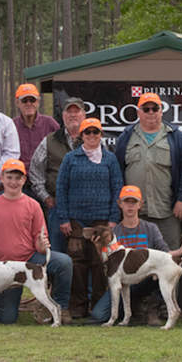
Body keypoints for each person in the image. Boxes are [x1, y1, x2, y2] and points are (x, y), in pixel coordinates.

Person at [0, 159, 73, 324]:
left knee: (64, 262)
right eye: (9, 177)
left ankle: (60, 307)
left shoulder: (33, 205)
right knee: (7, 319)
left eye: (17, 178)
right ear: (2, 178)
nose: (13, 182)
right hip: (4, 267)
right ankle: (1, 306)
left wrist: (42, 246)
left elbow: (40, 237)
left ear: (24, 180)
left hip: (29, 260)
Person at [89, 186, 182, 325]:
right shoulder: (114, 232)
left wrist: (180, 252)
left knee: (162, 272)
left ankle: (152, 308)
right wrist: (97, 247)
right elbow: (106, 261)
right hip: (124, 279)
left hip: (146, 279)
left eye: (134, 202)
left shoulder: (151, 228)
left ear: (140, 205)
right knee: (98, 315)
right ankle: (129, 313)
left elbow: (164, 254)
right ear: (120, 204)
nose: (130, 206)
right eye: (126, 202)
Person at [56, 118, 124, 319]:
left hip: (102, 221)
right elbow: (61, 188)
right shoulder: (70, 158)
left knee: (100, 264)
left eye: (96, 132)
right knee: (77, 263)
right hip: (76, 220)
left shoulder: (110, 159)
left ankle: (97, 306)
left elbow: (117, 188)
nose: (92, 136)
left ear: (101, 135)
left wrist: (113, 218)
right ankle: (77, 306)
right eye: (88, 132)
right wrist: (64, 218)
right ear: (81, 135)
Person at [114, 92, 182, 250]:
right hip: (135, 214)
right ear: (138, 112)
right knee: (135, 262)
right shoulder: (126, 136)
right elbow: (117, 171)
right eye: (146, 109)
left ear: (161, 111)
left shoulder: (175, 136)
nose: (151, 112)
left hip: (166, 211)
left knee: (170, 260)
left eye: (155, 108)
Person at [30, 98, 85, 253]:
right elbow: (35, 172)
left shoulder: (93, 139)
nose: (73, 115)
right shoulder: (49, 141)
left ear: (84, 115)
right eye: (69, 111)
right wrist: (46, 197)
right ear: (63, 115)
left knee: (87, 257)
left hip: (86, 209)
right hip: (57, 208)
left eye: (77, 111)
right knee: (56, 255)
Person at [12, 83, 59, 169]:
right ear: (17, 103)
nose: (29, 104)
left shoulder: (50, 123)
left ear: (38, 102)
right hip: (20, 176)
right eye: (24, 100)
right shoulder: (11, 126)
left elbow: (60, 149)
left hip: (45, 175)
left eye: (32, 100)